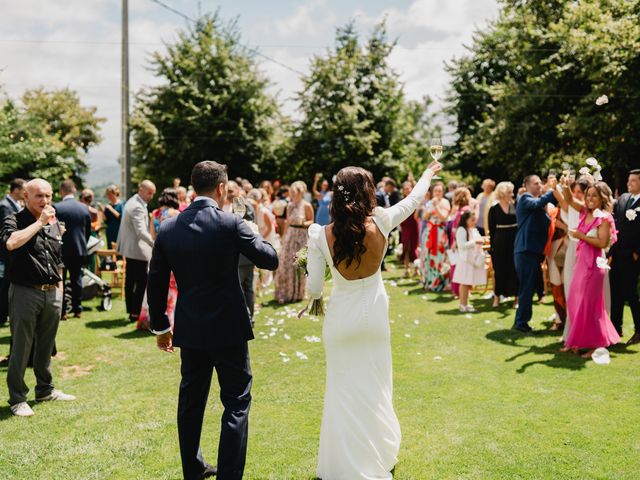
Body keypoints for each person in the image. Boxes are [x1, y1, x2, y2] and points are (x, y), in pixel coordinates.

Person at [306, 160, 442, 480]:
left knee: (342, 388)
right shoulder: (382, 220)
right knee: (376, 385)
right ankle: (378, 452)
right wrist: (426, 174)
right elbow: (413, 201)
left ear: (337, 196)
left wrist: (315, 293)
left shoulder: (320, 234)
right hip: (375, 317)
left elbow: (313, 288)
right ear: (367, 191)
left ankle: (343, 464)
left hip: (341, 318)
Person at [147, 161, 278, 480]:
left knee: (191, 401)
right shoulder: (232, 224)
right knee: (236, 402)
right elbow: (270, 259)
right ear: (221, 188)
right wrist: (248, 225)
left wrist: (162, 326)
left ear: (194, 187)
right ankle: (229, 476)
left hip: (191, 329)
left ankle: (192, 469)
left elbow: (156, 281)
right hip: (229, 329)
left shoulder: (168, 228)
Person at [1, 179, 76, 417]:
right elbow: (12, 243)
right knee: (22, 347)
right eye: (39, 196)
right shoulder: (13, 219)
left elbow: (57, 258)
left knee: (46, 346)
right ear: (25, 196)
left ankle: (45, 389)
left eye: (48, 196)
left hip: (52, 291)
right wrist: (40, 223)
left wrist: (61, 291)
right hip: (25, 291)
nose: (45, 201)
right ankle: (17, 398)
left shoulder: (54, 223)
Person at [563, 182, 620, 356]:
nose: (590, 198)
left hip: (595, 265)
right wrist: (566, 186)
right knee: (574, 300)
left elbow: (602, 243)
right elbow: (569, 200)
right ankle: (577, 341)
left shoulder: (603, 217)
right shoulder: (585, 212)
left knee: (591, 306)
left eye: (594, 195)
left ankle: (597, 345)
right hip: (581, 262)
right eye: (588, 195)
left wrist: (581, 236)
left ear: (602, 198)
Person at [513, 175, 558, 332]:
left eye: (540, 183)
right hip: (525, 250)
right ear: (526, 185)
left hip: (533, 251)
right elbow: (538, 202)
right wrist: (553, 190)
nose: (539, 185)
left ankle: (521, 320)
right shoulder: (525, 197)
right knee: (527, 287)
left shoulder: (540, 204)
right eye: (536, 183)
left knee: (528, 287)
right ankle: (521, 323)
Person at [137, 188, 180, 331]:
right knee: (171, 290)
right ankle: (171, 324)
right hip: (173, 254)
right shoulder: (175, 214)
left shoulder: (154, 213)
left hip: (156, 252)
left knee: (155, 288)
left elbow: (153, 236)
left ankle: (148, 321)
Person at [555, 176, 592, 340]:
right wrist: (558, 186)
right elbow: (564, 200)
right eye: (574, 191)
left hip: (584, 250)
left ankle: (583, 332)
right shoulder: (571, 207)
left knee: (583, 292)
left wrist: (565, 186)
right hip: (571, 248)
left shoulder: (586, 209)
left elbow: (567, 199)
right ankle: (571, 331)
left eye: (579, 192)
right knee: (570, 290)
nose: (576, 195)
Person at [117, 180, 156, 323]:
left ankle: (132, 311)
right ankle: (135, 312)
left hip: (131, 248)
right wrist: (154, 243)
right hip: (137, 250)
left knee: (131, 281)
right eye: (150, 193)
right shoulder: (137, 206)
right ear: (141, 189)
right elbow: (141, 232)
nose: (151, 196)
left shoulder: (132, 201)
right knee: (140, 282)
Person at [609, 169, 640, 343]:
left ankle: (639, 330)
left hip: (632, 255)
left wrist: (637, 252)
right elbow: (615, 223)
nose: (629, 183)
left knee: (630, 292)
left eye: (634, 181)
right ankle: (615, 329)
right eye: (629, 180)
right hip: (617, 253)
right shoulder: (622, 199)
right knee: (616, 292)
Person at [54, 180, 91, 319]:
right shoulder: (83, 208)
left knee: (60, 280)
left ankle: (62, 311)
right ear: (73, 190)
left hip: (61, 249)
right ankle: (78, 309)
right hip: (78, 249)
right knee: (77, 279)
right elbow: (87, 231)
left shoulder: (57, 207)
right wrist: (82, 243)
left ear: (61, 191)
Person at [274, 181, 314, 304]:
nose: (291, 194)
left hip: (301, 236)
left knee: (298, 265)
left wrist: (303, 223)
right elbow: (287, 223)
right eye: (290, 192)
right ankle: (286, 292)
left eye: (293, 192)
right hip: (290, 236)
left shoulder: (306, 205)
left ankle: (298, 293)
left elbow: (312, 221)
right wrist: (283, 238)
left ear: (300, 193)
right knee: (286, 264)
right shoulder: (289, 205)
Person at [225, 182, 258, 321]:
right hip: (235, 256)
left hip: (242, 256)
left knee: (244, 289)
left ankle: (247, 318)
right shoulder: (226, 205)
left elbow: (247, 228)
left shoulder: (240, 204)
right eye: (227, 191)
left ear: (238, 191)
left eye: (231, 191)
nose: (229, 194)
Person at [488, 181, 519, 307]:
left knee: (514, 269)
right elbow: (491, 229)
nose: (512, 194)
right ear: (502, 193)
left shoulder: (515, 206)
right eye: (509, 192)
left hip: (514, 240)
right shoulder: (494, 208)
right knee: (499, 270)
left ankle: (516, 298)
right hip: (500, 242)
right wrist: (492, 246)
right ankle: (497, 297)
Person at [0, 179, 25, 328]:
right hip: (6, 254)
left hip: (14, 254)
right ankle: (2, 316)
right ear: (16, 190)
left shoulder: (14, 205)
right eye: (24, 190)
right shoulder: (4, 206)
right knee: (4, 285)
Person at [453, 210, 486, 312]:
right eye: (472, 220)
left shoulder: (472, 229)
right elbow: (462, 245)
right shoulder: (461, 230)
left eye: (474, 220)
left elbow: (480, 239)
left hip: (472, 260)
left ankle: (465, 304)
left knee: (468, 283)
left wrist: (480, 240)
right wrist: (475, 242)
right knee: (464, 283)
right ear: (466, 220)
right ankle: (463, 305)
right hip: (465, 260)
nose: (474, 222)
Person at [419, 182, 450, 291]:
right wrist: (429, 209)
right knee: (428, 256)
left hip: (440, 233)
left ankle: (439, 283)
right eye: (435, 191)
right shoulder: (429, 202)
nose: (437, 193)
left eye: (440, 191)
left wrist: (436, 206)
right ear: (432, 192)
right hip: (430, 231)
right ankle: (429, 282)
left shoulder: (445, 202)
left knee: (439, 257)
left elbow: (443, 218)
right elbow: (425, 217)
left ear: (443, 192)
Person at [399, 180, 420, 277]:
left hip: (414, 225)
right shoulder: (401, 201)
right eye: (405, 189)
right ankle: (406, 269)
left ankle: (417, 269)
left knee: (414, 247)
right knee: (406, 248)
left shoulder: (415, 200)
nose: (406, 190)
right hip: (405, 226)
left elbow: (416, 216)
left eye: (408, 188)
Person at [101, 185, 123, 250]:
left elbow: (121, 217)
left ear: (115, 193)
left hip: (118, 232)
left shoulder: (121, 204)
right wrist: (102, 211)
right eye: (107, 195)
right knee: (110, 251)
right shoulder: (108, 206)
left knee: (119, 251)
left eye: (110, 194)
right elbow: (106, 221)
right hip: (110, 232)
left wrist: (111, 209)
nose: (109, 197)